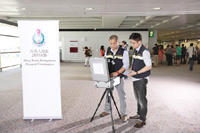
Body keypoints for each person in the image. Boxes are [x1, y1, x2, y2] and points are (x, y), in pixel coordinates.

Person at [100, 35, 129, 122]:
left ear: (118, 42)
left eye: (114, 43)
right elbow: (104, 62)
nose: (112, 45)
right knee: (108, 94)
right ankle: (107, 110)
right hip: (109, 77)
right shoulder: (108, 51)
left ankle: (123, 113)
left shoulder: (124, 52)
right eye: (111, 43)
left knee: (121, 95)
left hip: (119, 77)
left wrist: (117, 73)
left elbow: (126, 65)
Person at [126, 33, 152, 128]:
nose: (132, 44)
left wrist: (136, 73)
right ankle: (138, 114)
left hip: (141, 78)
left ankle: (142, 119)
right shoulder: (135, 51)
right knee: (137, 98)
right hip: (135, 78)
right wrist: (130, 70)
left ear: (139, 42)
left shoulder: (145, 52)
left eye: (133, 43)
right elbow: (134, 63)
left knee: (142, 99)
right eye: (131, 43)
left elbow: (148, 66)